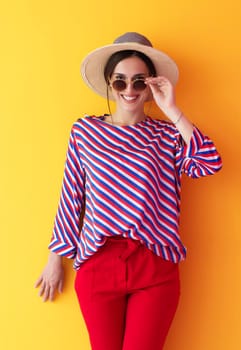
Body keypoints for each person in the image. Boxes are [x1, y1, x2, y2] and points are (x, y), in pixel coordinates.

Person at [35, 32, 222, 350]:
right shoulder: (86, 131)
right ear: (109, 83)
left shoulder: (167, 135)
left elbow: (208, 163)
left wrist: (172, 109)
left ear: (151, 84)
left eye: (139, 81)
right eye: (121, 81)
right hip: (98, 261)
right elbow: (72, 196)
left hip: (155, 262)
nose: (130, 90)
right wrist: (55, 260)